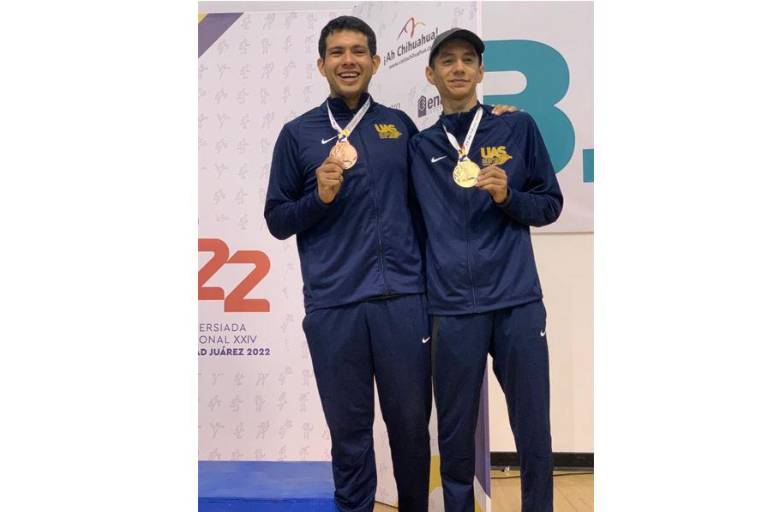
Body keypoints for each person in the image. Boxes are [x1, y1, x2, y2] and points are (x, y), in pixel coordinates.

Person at [264, 16, 431, 512]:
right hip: (334, 306)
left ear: (376, 62)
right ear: (321, 64)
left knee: (410, 430)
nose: (349, 60)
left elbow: (435, 196)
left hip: (402, 300)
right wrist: (318, 197)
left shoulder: (399, 126)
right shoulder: (297, 135)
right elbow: (277, 219)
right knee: (350, 433)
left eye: (359, 51)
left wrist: (499, 122)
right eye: (337, 52)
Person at [408, 28, 564, 512]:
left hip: (517, 302)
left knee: (533, 431)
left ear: (480, 71)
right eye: (447, 61)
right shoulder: (418, 148)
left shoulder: (516, 127)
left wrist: (508, 196)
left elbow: (550, 204)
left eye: (468, 60)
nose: (458, 68)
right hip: (453, 308)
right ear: (430, 74)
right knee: (454, 438)